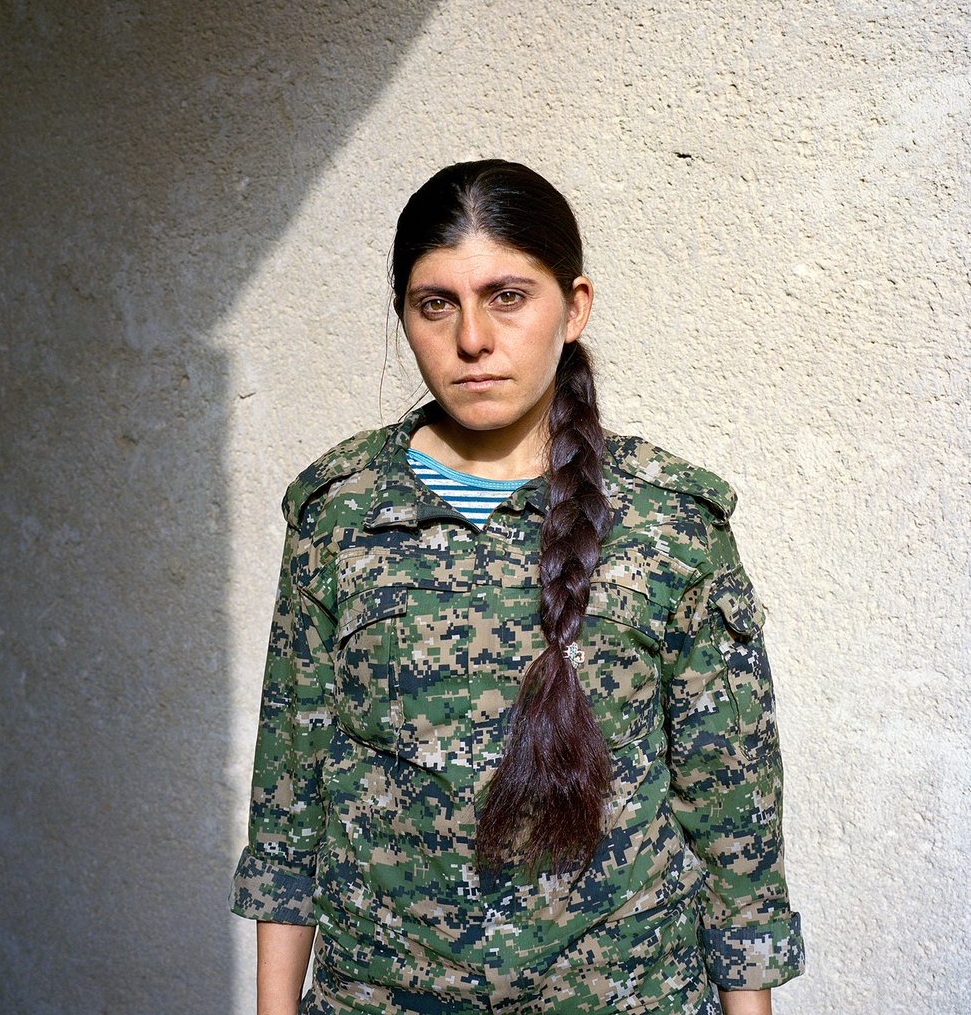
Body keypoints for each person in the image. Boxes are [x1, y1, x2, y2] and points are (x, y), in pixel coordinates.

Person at [231, 160, 805, 1015]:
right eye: (436, 304)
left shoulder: (669, 522)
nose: (472, 339)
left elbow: (733, 816)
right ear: (403, 316)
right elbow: (290, 798)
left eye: (507, 297)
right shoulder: (339, 511)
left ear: (573, 308)